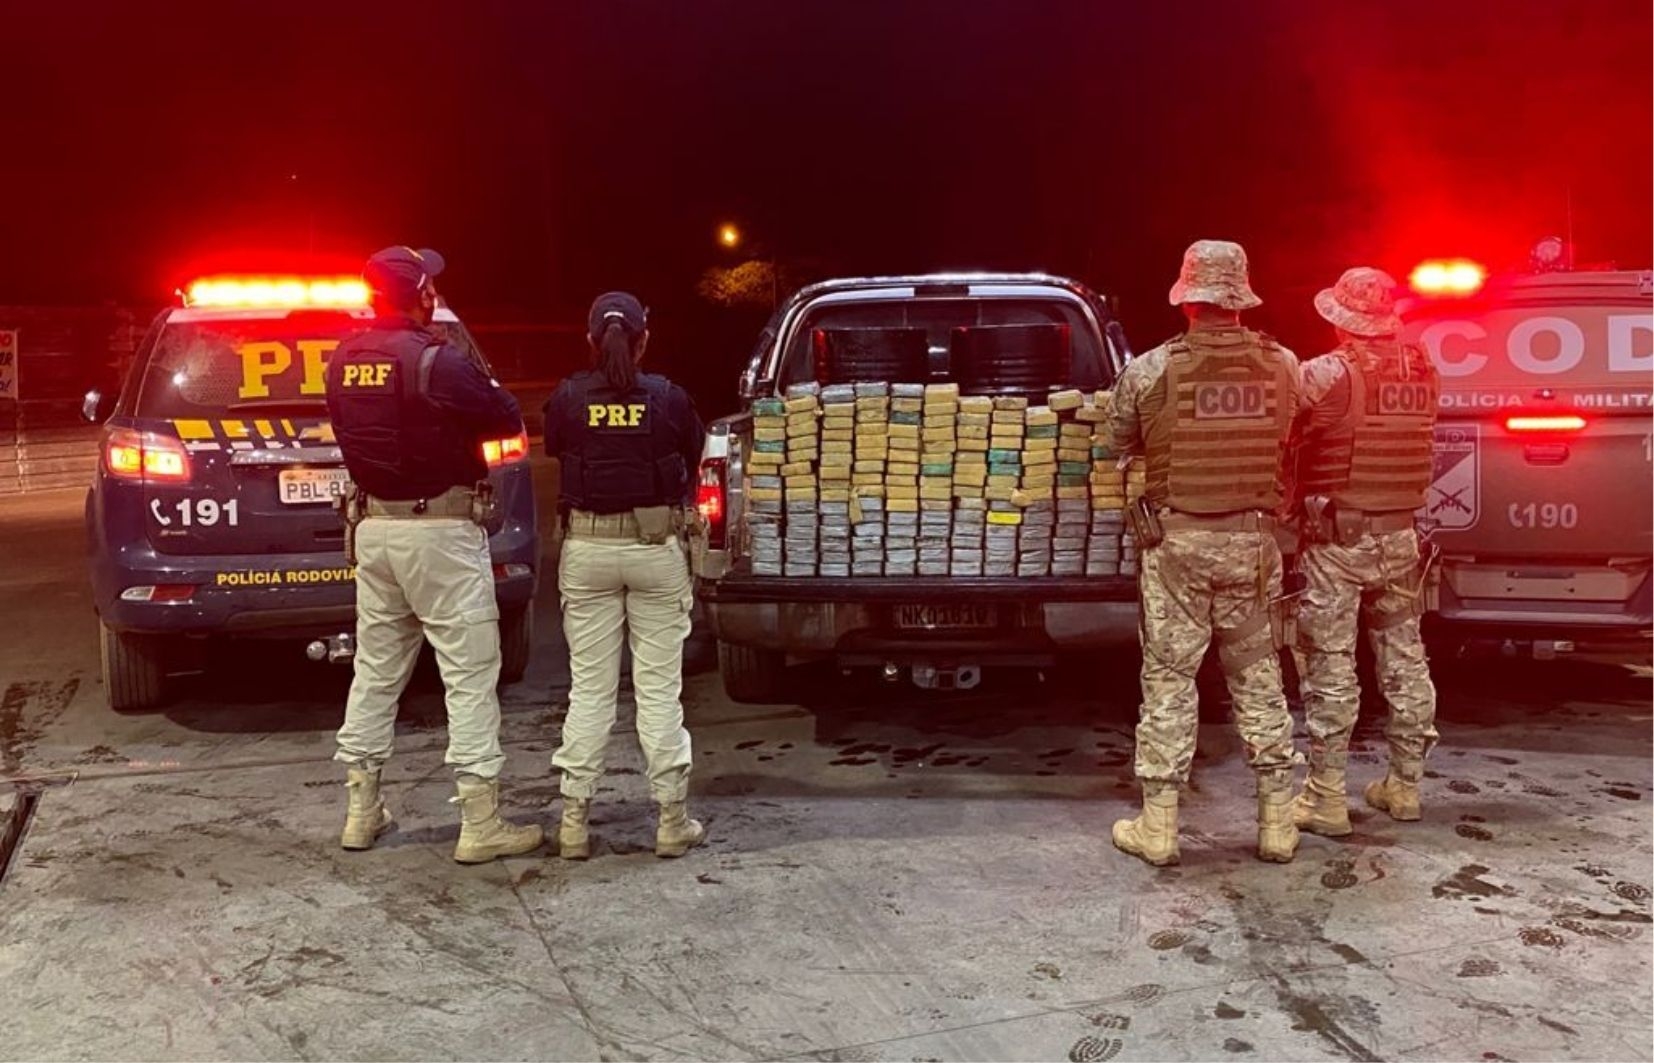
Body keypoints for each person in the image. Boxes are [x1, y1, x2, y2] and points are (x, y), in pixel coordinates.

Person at [326, 246, 543, 863]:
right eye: (431, 287)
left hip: (374, 532)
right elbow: (502, 414)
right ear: (421, 292)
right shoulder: (435, 361)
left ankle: (361, 813)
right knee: (471, 673)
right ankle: (481, 823)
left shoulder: (343, 360)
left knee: (375, 670)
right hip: (440, 532)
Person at [1108, 239, 1303, 867]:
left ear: (1188, 298)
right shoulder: (1283, 365)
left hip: (1180, 546)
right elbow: (1292, 432)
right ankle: (1277, 823)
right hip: (1252, 543)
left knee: (1169, 677)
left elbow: (1118, 437)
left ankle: (1159, 828)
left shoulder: (1152, 368)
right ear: (1240, 296)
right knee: (1258, 674)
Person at [543, 292, 707, 859]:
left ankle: (573, 823)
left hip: (586, 548)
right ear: (644, 340)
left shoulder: (567, 397)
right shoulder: (667, 397)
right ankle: (670, 820)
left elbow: (557, 445)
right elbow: (694, 449)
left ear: (590, 340)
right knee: (660, 693)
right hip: (654, 549)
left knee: (589, 691)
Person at [1290, 267, 1440, 836]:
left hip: (1338, 540)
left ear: (1340, 321)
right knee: (1405, 658)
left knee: (1330, 662)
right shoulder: (1425, 369)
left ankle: (1325, 797)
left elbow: (1285, 430)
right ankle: (1405, 787)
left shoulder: (1326, 373)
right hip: (1401, 536)